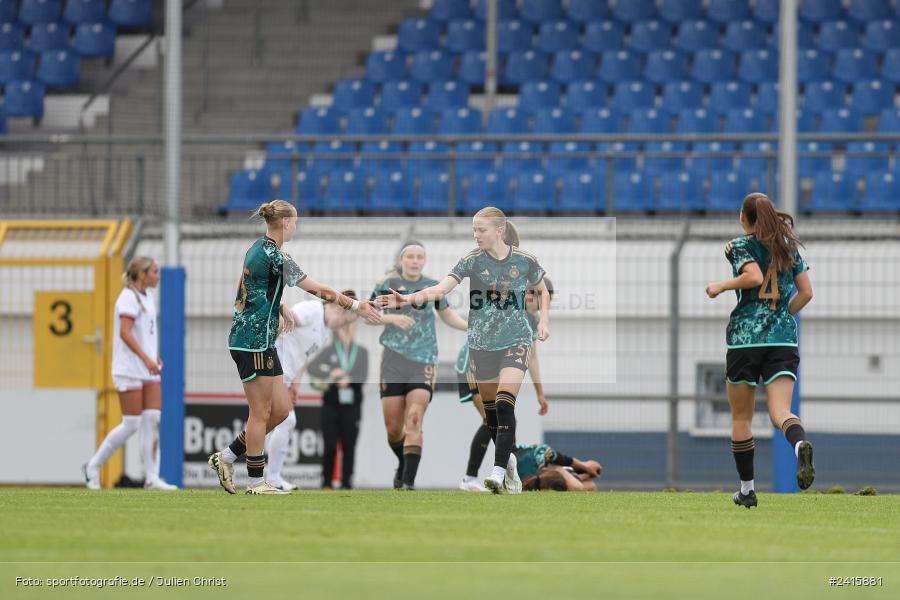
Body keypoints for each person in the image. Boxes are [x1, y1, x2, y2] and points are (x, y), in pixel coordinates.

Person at [207, 200, 380, 495]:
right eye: (295, 221)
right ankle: (257, 482)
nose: (296, 226)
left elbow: (249, 287)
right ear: (285, 222)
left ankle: (225, 457)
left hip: (263, 340)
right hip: (253, 341)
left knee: (283, 410)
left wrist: (280, 305)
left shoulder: (257, 250)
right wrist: (354, 304)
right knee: (261, 412)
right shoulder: (274, 254)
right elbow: (316, 288)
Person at [377, 207, 551, 494]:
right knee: (492, 414)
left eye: (480, 230)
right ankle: (508, 463)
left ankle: (496, 471)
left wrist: (543, 322)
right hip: (481, 345)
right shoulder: (472, 260)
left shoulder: (525, 261)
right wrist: (406, 298)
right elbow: (440, 290)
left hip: (516, 339)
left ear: (499, 230)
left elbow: (542, 290)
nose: (476, 235)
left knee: (506, 402)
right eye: (473, 230)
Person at [705, 192, 815, 509]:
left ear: (743, 216)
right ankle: (800, 445)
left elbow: (752, 275)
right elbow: (806, 292)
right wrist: (783, 312)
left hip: (745, 340)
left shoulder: (738, 246)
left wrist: (720, 286)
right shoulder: (787, 246)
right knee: (781, 413)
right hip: (782, 338)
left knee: (742, 418)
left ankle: (747, 489)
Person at [370, 240, 468, 490]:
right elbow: (369, 315)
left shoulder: (431, 287)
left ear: (424, 261)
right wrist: (392, 317)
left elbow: (446, 315)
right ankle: (403, 465)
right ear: (401, 260)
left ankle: (408, 484)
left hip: (423, 360)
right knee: (393, 429)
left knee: (414, 417)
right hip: (393, 360)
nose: (415, 261)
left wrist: (470, 327)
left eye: (419, 257)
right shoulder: (386, 285)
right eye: (410, 256)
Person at [83, 257, 176, 490]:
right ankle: (93, 466)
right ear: (142, 274)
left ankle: (152, 478)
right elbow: (125, 332)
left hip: (149, 368)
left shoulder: (148, 296)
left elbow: (146, 334)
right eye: (154, 271)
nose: (158, 275)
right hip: (129, 369)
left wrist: (152, 357)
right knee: (132, 424)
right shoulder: (127, 297)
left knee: (152, 419)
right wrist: (146, 358)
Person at [456, 273, 553, 493]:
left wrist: (540, 392)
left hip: (491, 366)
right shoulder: (513, 309)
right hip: (471, 366)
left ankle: (503, 470)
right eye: (531, 292)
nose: (532, 297)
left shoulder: (533, 321)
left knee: (503, 414)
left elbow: (532, 357)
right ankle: (473, 477)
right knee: (491, 419)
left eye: (541, 296)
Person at [266, 294, 358, 491]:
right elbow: (285, 317)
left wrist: (295, 385)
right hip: (275, 367)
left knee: (276, 421)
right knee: (286, 420)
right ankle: (270, 477)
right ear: (336, 308)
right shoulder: (314, 309)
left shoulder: (324, 332)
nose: (341, 324)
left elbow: (304, 357)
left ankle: (233, 457)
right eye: (342, 319)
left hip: (287, 374)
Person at [307, 305, 369, 489]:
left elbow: (363, 377)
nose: (348, 330)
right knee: (330, 445)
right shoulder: (330, 351)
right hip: (331, 403)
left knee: (349, 445)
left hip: (352, 405)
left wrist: (349, 379)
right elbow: (312, 367)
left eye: (351, 326)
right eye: (344, 326)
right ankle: (326, 482)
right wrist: (331, 374)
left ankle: (346, 482)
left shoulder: (361, 352)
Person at [515, 443, 602, 492]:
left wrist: (584, 467)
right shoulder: (538, 452)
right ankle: (577, 476)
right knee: (590, 486)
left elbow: (559, 458)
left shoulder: (513, 451)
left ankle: (577, 475)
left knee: (588, 484)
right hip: (541, 479)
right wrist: (584, 465)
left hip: (533, 480)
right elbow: (558, 457)